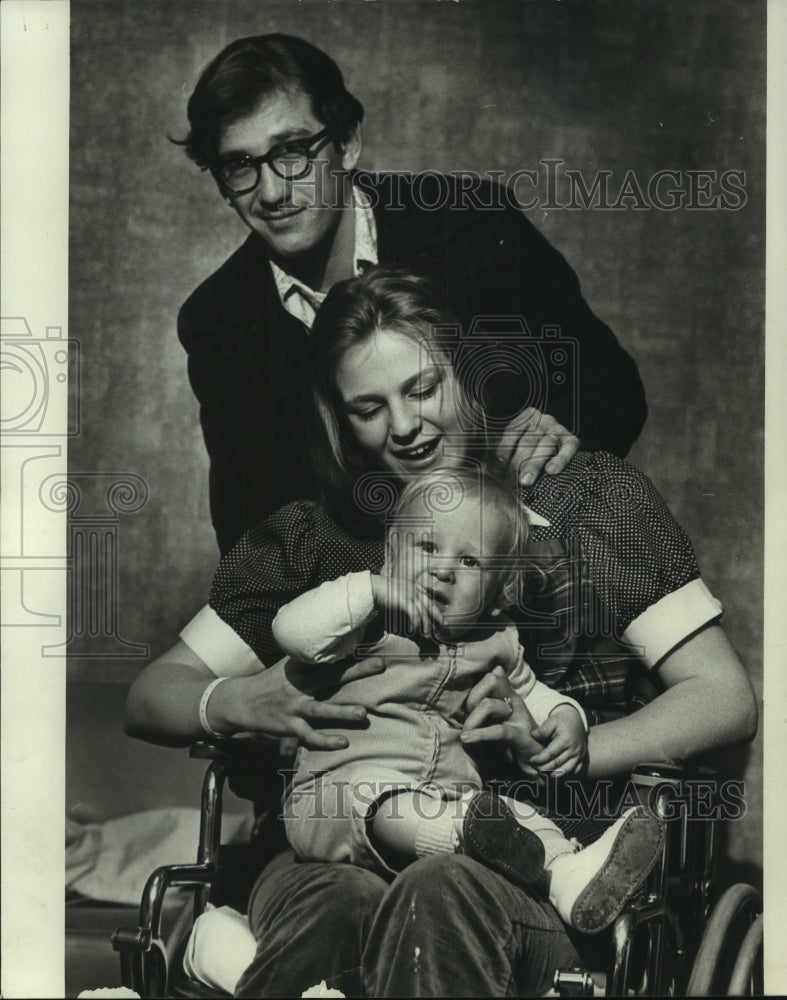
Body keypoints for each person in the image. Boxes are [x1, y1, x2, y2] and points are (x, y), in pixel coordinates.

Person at [126, 268, 756, 997]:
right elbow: (151, 698)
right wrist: (236, 701)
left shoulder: (587, 501)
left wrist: (565, 751)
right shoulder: (315, 543)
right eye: (368, 407)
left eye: (422, 389)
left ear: (469, 375)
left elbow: (722, 697)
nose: (403, 426)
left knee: (437, 885)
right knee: (338, 901)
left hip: (529, 875)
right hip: (329, 853)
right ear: (339, 420)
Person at [175, 32, 648, 554]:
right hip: (365, 593)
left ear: (348, 142)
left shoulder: (471, 225)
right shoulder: (217, 319)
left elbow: (610, 385)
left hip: (528, 545)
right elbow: (254, 528)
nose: (271, 192)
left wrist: (556, 431)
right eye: (240, 165)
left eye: (291, 152)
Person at [275, 467, 665, 937]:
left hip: (453, 799)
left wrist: (567, 718)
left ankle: (567, 875)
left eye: (470, 563)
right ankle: (462, 835)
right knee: (376, 790)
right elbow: (293, 633)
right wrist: (367, 590)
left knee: (519, 815)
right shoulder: (363, 622)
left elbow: (535, 695)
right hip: (335, 796)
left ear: (498, 594)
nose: (443, 569)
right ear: (391, 552)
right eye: (427, 547)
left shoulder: (496, 641)